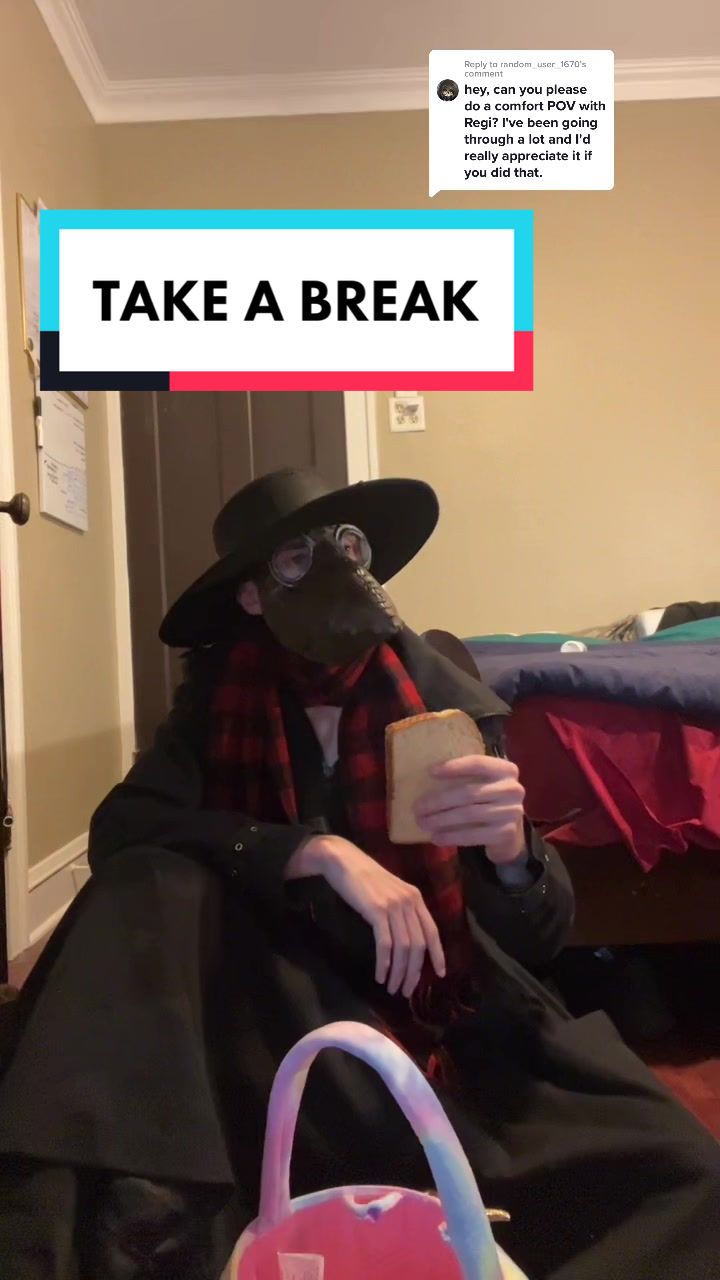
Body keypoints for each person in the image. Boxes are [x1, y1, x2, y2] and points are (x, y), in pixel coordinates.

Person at [0, 468, 717, 1280]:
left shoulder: (448, 706)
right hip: (269, 987)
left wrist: (513, 854)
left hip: (432, 1006)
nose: (338, 571)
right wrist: (309, 852)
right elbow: (124, 832)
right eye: (297, 558)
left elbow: (536, 937)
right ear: (251, 597)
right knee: (147, 890)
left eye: (349, 546)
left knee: (680, 1174)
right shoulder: (217, 705)